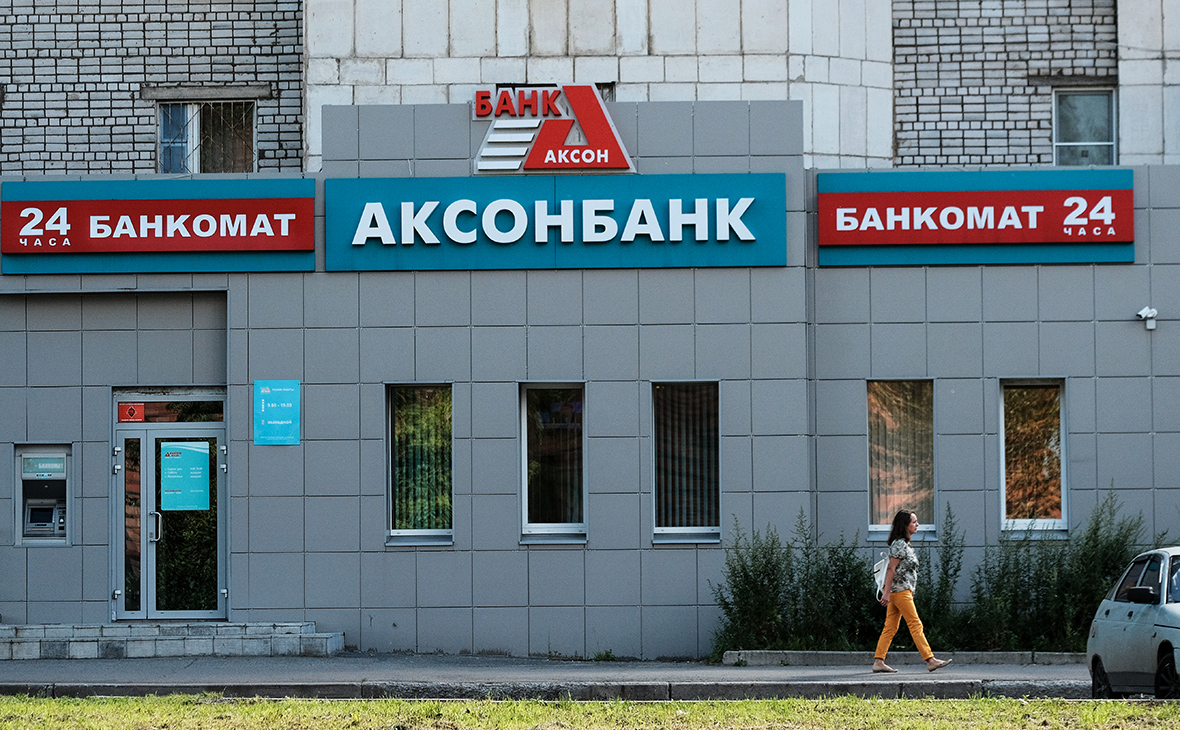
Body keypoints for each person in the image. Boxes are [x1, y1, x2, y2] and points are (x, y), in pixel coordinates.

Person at [872, 509, 952, 673]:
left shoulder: (903, 544)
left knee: (890, 627)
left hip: (900, 591)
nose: (917, 524)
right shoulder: (900, 544)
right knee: (915, 624)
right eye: (914, 522)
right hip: (900, 592)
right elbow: (891, 569)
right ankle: (930, 659)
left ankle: (879, 661)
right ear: (905, 525)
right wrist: (886, 592)